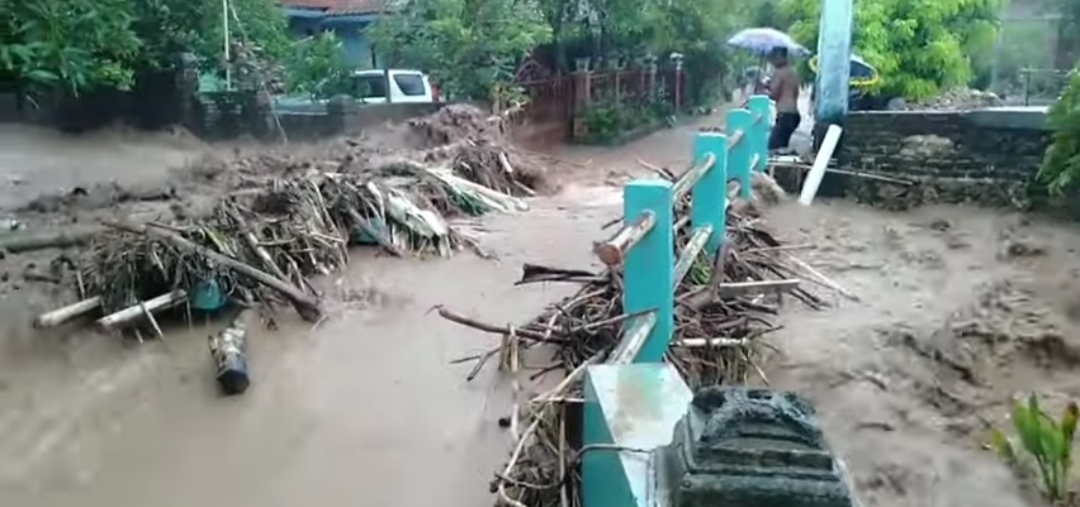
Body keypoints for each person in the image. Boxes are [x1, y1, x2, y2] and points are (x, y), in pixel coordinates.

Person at [765, 47, 801, 151]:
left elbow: (775, 95)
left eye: (773, 57)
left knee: (772, 147)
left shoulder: (779, 72)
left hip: (784, 115)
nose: (771, 61)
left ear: (780, 56)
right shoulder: (792, 72)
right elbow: (794, 92)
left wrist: (765, 90)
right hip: (793, 114)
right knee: (781, 147)